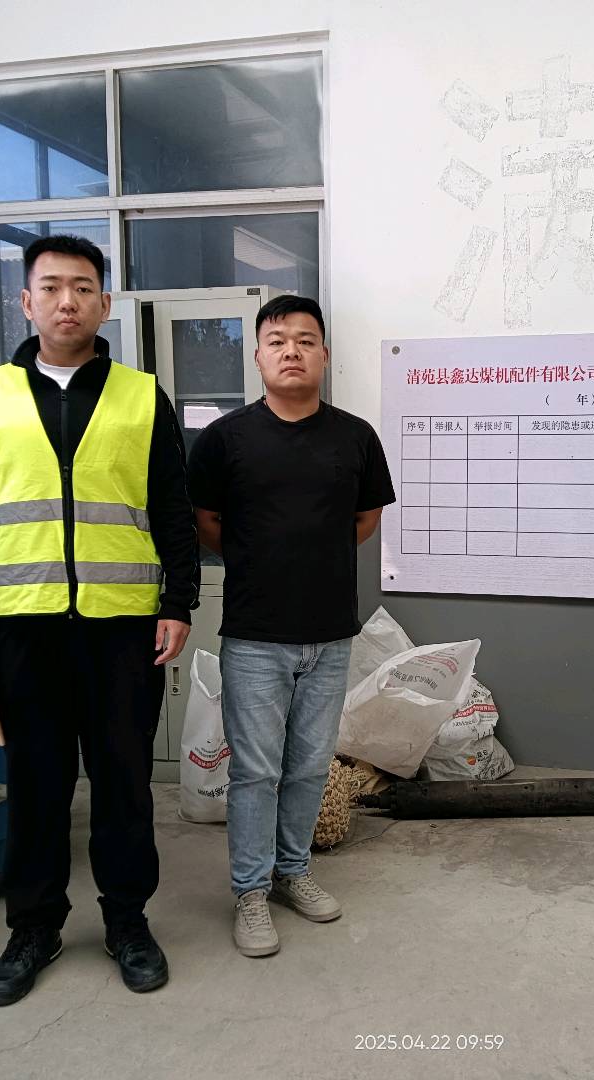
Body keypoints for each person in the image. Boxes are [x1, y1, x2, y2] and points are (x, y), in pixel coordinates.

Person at [0, 234, 200, 1006]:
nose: (67, 301)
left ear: (104, 303)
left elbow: (173, 507)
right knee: (36, 784)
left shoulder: (141, 395)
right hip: (25, 624)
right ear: (26, 302)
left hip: (122, 626)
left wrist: (178, 601)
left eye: (83, 288)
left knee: (124, 780)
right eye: (51, 287)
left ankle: (128, 921)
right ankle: (33, 927)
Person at [187, 295, 395, 957]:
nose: (292, 352)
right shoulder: (226, 439)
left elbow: (365, 519)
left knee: (308, 766)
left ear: (324, 355)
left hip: (330, 632)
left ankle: (292, 872)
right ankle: (251, 892)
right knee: (255, 772)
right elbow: (207, 523)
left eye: (305, 340)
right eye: (277, 341)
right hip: (255, 634)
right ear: (257, 356)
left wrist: (312, 557)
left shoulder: (355, 437)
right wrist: (265, 558)